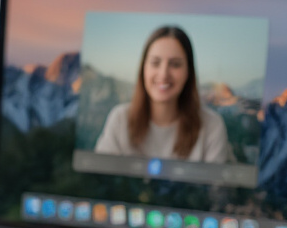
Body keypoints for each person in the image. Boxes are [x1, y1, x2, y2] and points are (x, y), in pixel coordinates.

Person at [94, 26, 231, 162]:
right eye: (155, 63)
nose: (164, 74)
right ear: (143, 69)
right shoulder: (119, 120)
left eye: (175, 64)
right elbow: (98, 173)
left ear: (188, 72)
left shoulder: (211, 126)